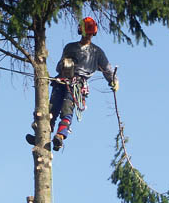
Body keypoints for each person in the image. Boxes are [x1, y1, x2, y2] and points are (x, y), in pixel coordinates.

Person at [27, 17, 119, 151]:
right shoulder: (70, 47)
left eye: (89, 33)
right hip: (62, 80)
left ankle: (60, 135)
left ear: (92, 33)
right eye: (85, 33)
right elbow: (59, 66)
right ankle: (40, 136)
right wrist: (66, 64)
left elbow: (107, 69)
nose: (87, 36)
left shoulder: (97, 53)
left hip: (78, 84)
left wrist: (113, 81)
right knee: (51, 108)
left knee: (67, 107)